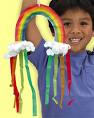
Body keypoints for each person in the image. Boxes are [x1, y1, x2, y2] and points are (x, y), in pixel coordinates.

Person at [21, 0, 94, 118]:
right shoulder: (45, 58)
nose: (75, 30)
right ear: (53, 29)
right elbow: (27, 20)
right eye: (66, 24)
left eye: (83, 23)